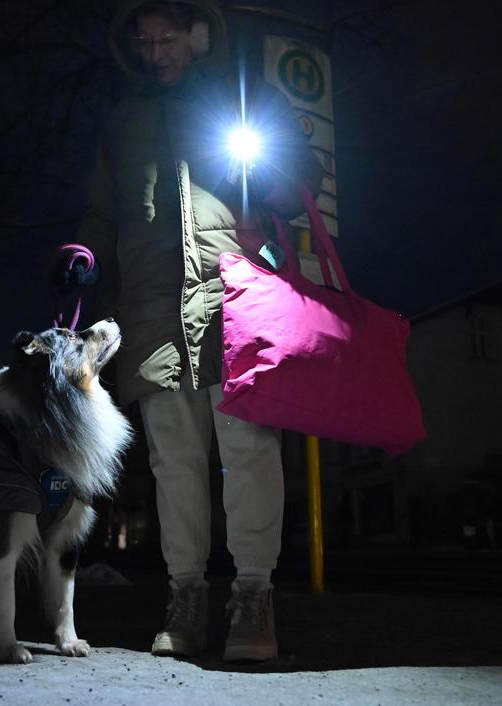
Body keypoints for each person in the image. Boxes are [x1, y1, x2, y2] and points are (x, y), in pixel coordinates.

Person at [72, 0, 323, 662]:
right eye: (145, 41)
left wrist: (266, 177)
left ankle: (253, 596)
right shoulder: (123, 120)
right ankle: (185, 596)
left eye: (168, 37)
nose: (156, 52)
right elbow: (102, 208)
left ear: (198, 35)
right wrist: (84, 252)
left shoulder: (244, 98)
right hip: (151, 307)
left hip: (237, 295)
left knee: (250, 448)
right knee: (173, 460)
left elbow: (302, 178)